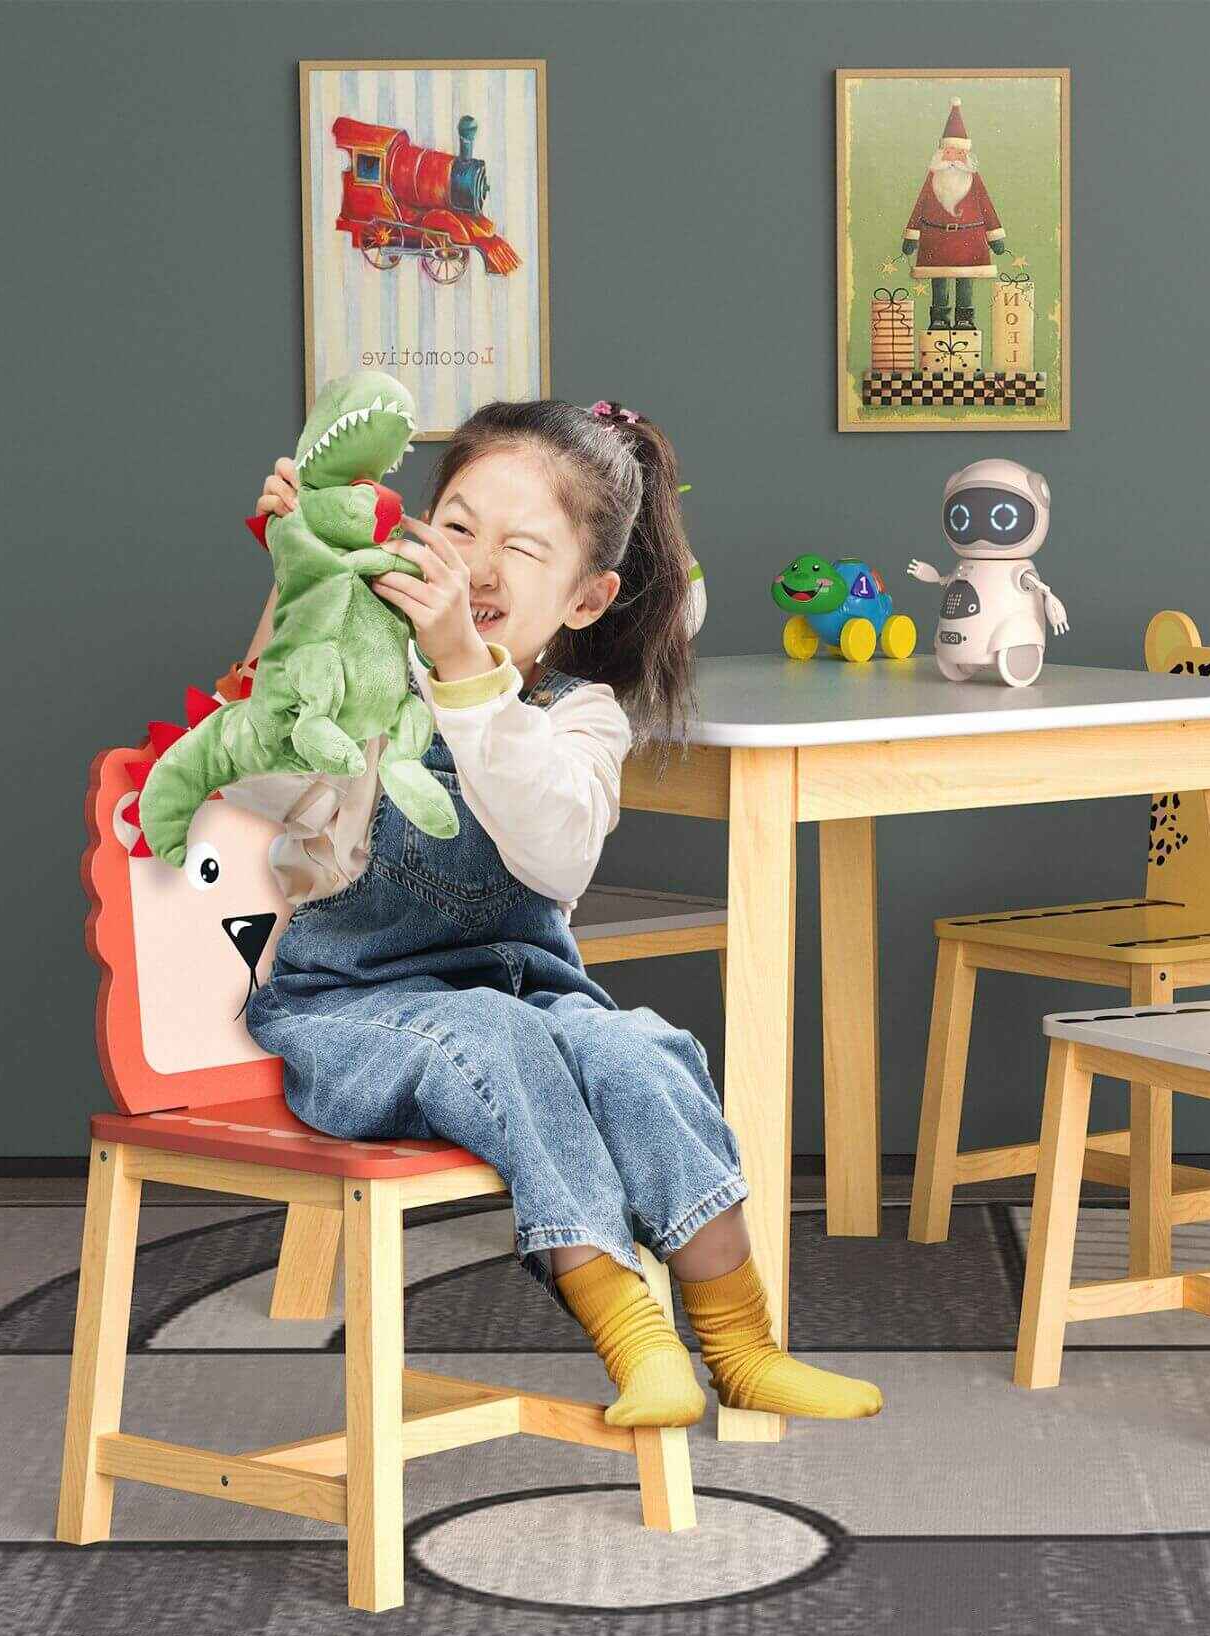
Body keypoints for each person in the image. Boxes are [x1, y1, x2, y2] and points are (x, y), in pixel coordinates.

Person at [228, 397, 881, 1428]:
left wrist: (462, 672)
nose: (477, 566)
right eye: (456, 527)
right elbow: (262, 773)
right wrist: (302, 580)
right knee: (498, 1034)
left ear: (586, 598)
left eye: (521, 548)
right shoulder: (362, 678)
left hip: (528, 997)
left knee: (639, 1050)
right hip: (344, 1012)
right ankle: (632, 1331)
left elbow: (555, 847)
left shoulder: (580, 719)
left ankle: (741, 1340)